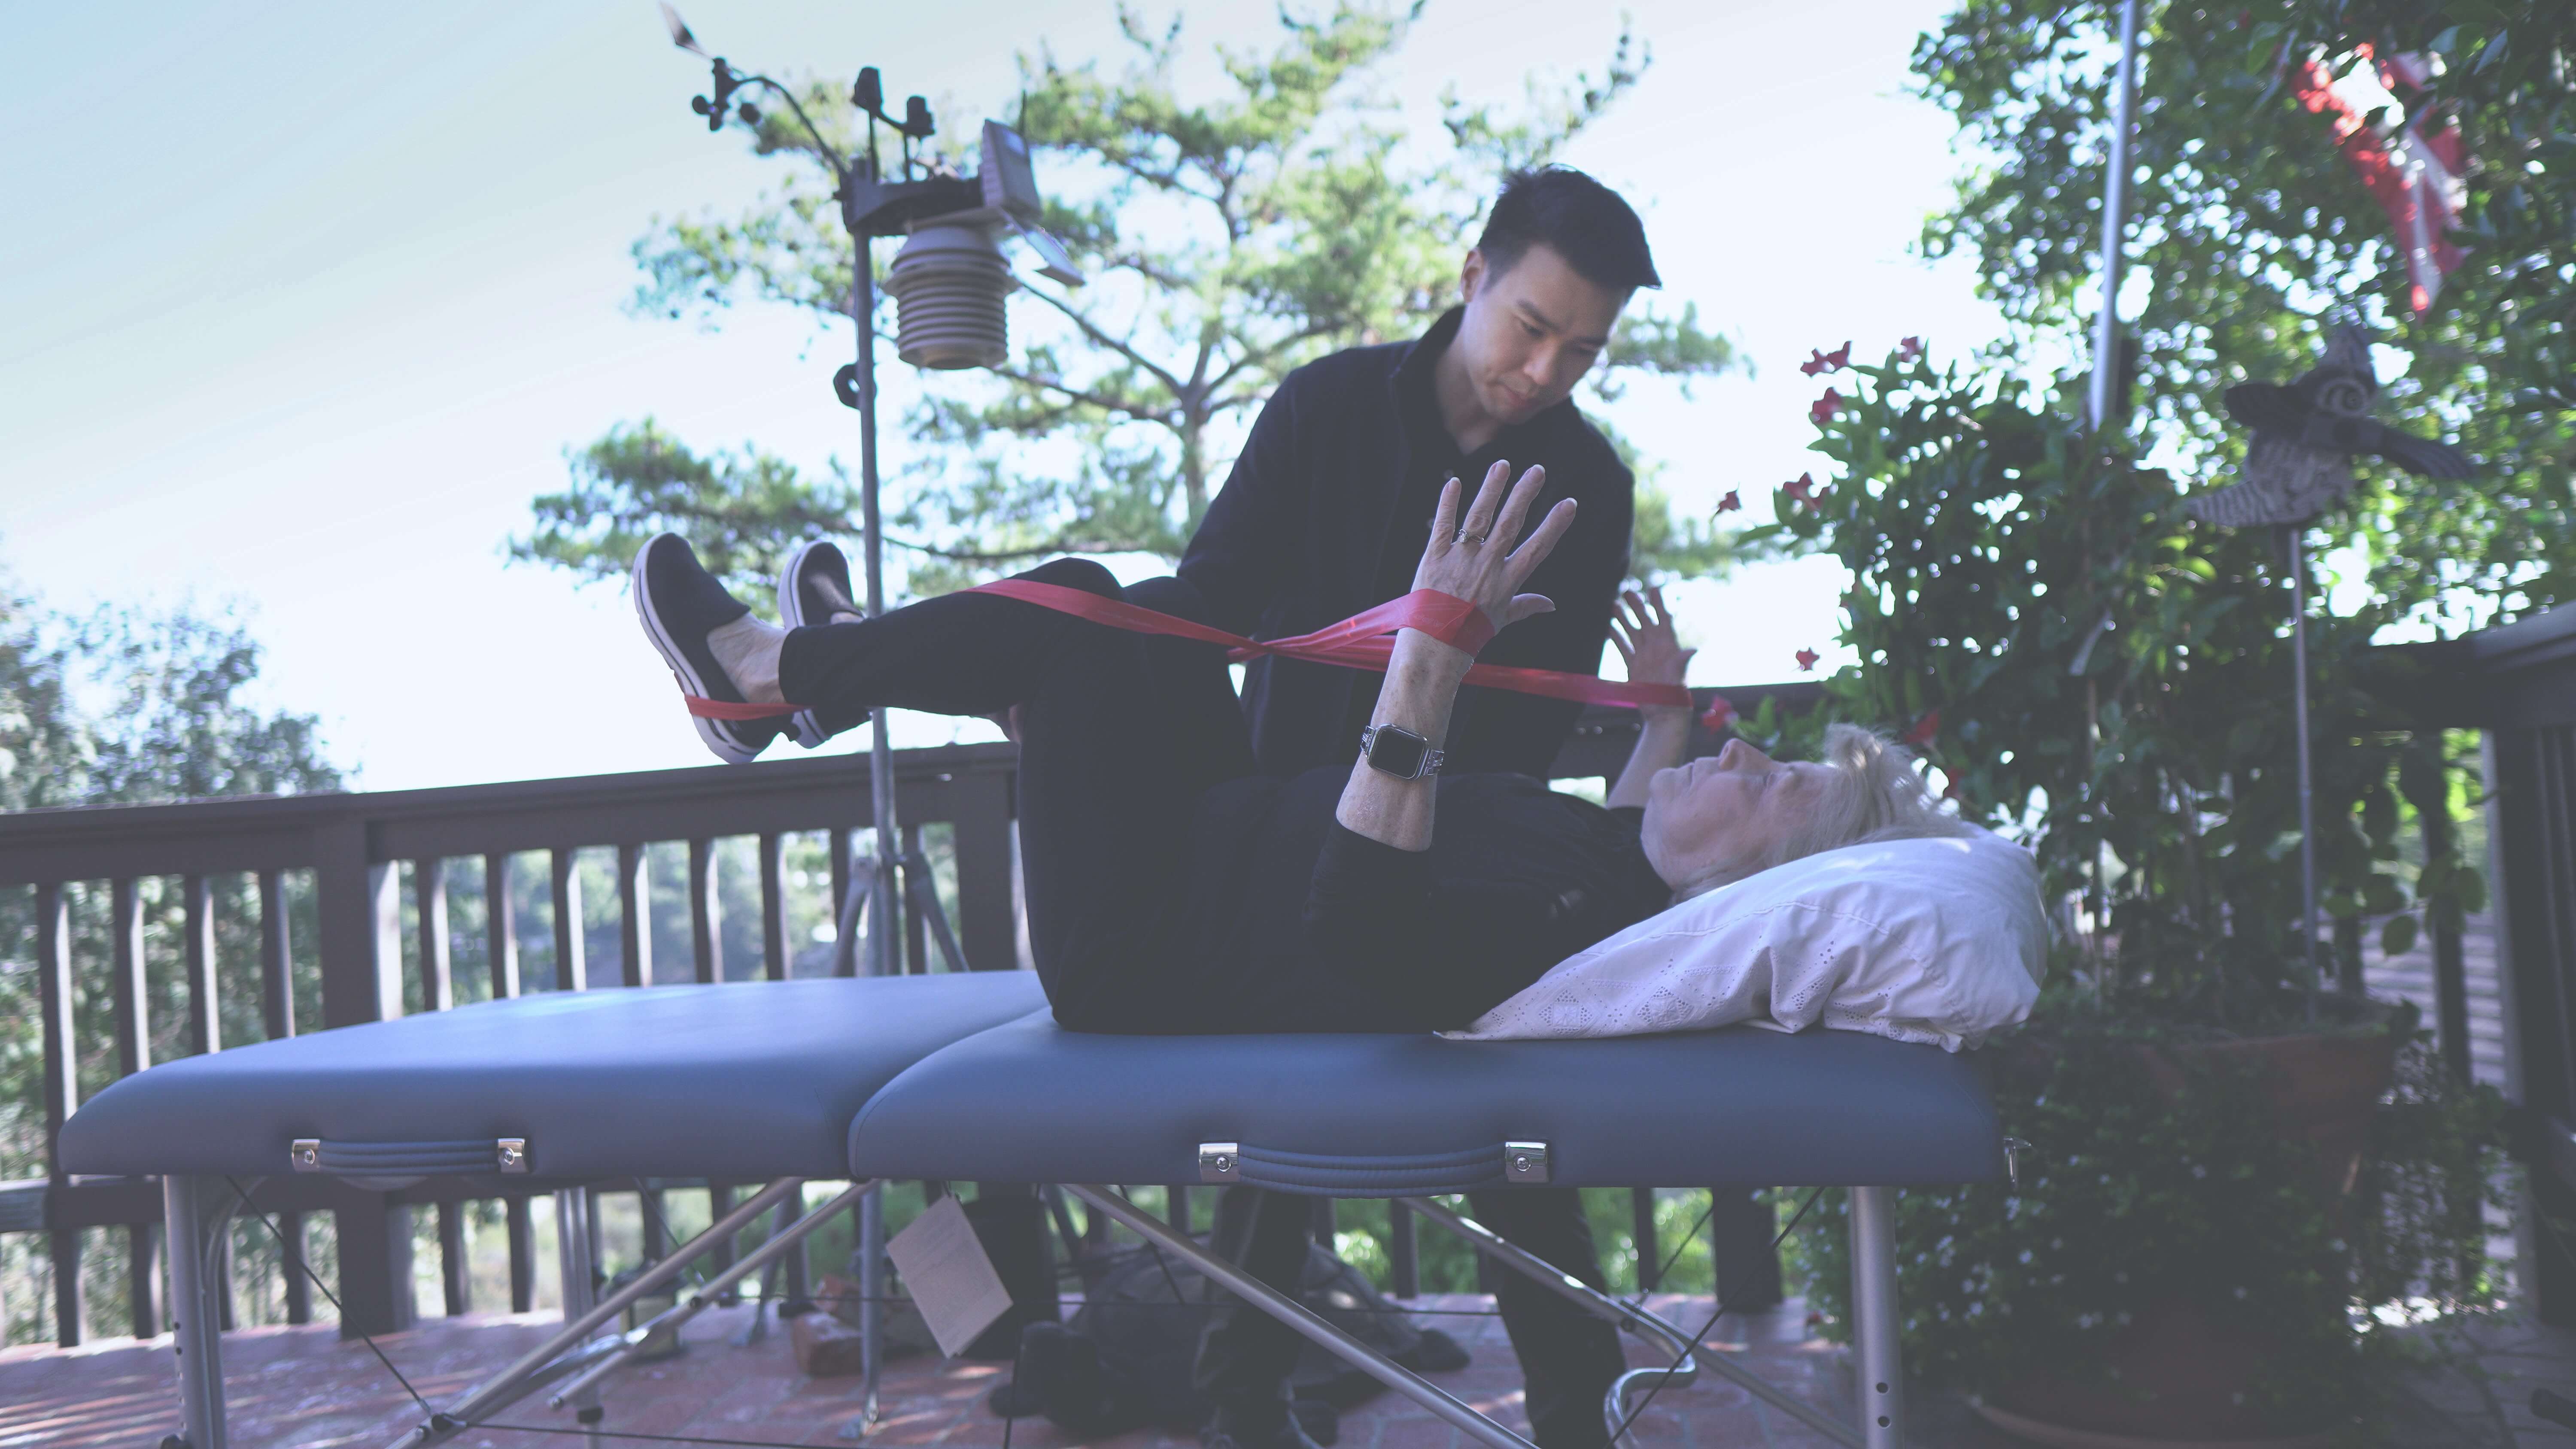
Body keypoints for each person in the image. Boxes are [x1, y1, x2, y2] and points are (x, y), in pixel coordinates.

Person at [632, 463, 1966, 1448]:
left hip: (1147, 947)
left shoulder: (1585, 926)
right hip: (1215, 841)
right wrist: (1664, 718)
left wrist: (1431, 662)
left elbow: (1367, 928)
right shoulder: (1627, 886)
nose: (1747, 750)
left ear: (1759, 877)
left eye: (1778, 780)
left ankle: (774, 671)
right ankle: (848, 664)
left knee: (1083, 622)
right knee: (1128, 605)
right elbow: (1637, 845)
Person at [1179, 164, 1657, 782]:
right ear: (1472, 276)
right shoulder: (1325, 404)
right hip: (1270, 805)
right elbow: (1204, 610)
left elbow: (1544, 707)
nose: (1544, 371)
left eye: (1583, 351)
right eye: (1532, 329)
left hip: (1456, 845)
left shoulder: (1592, 489)